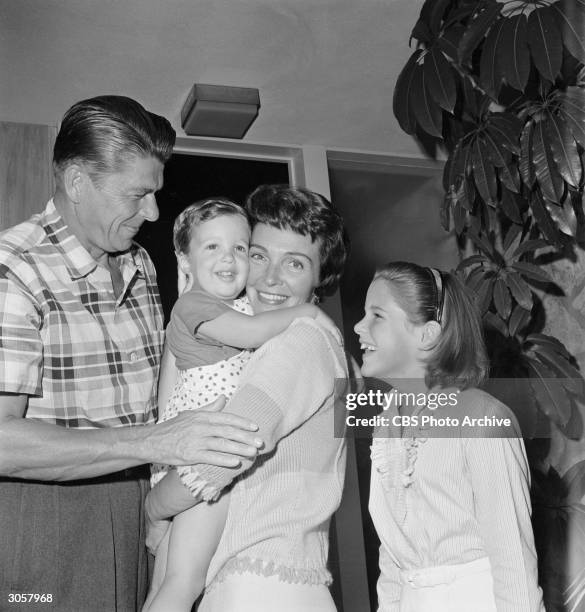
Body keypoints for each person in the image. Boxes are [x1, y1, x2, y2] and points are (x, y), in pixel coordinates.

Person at [0, 96, 263, 612]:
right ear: (77, 182)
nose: (154, 212)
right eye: (138, 194)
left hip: (140, 500)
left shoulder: (140, 262)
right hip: (46, 514)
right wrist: (157, 440)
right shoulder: (15, 269)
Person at [145, 184, 350, 612]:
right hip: (250, 583)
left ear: (320, 278)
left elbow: (218, 455)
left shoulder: (302, 340)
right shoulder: (249, 333)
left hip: (264, 587)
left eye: (294, 263)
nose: (270, 278)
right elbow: (173, 400)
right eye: (258, 256)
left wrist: (152, 508)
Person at [354, 262, 544, 611]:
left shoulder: (483, 419)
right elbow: (392, 563)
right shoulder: (386, 427)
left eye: (377, 315)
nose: (358, 326)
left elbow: (513, 559)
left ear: (426, 335)